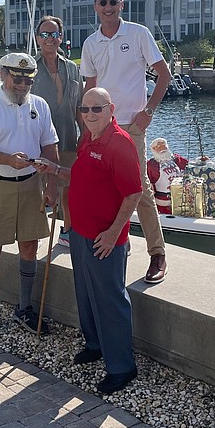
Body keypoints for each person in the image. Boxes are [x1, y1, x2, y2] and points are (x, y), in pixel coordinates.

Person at [33, 87, 141, 395]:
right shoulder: (88, 138)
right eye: (85, 109)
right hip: (79, 233)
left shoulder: (119, 143)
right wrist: (53, 169)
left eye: (97, 109)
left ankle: (122, 367)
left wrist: (112, 232)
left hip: (104, 239)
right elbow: (82, 177)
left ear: (111, 109)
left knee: (110, 300)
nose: (90, 115)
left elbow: (133, 193)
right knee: (86, 294)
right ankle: (95, 344)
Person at [80, 0, 172, 284]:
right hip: (101, 126)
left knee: (140, 189)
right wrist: (87, 125)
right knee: (106, 187)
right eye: (103, 3)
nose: (108, 8)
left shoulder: (138, 34)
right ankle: (122, 243)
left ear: (122, 5)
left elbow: (164, 74)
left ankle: (157, 253)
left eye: (113, 2)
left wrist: (148, 112)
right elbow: (90, 87)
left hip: (132, 126)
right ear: (95, 7)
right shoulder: (91, 43)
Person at [0, 52, 60, 347]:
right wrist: (7, 159)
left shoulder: (39, 105)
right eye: (17, 78)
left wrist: (52, 185)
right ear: (3, 76)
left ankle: (24, 308)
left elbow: (50, 145)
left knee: (30, 246)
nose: (22, 85)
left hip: (31, 184)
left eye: (28, 79)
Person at [32, 15, 81, 247]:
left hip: (69, 138)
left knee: (69, 189)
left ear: (60, 37)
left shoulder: (71, 68)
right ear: (37, 38)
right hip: (39, 143)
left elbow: (79, 105)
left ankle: (68, 231)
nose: (49, 39)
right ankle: (33, 234)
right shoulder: (30, 69)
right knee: (39, 189)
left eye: (54, 34)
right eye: (44, 34)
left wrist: (86, 136)